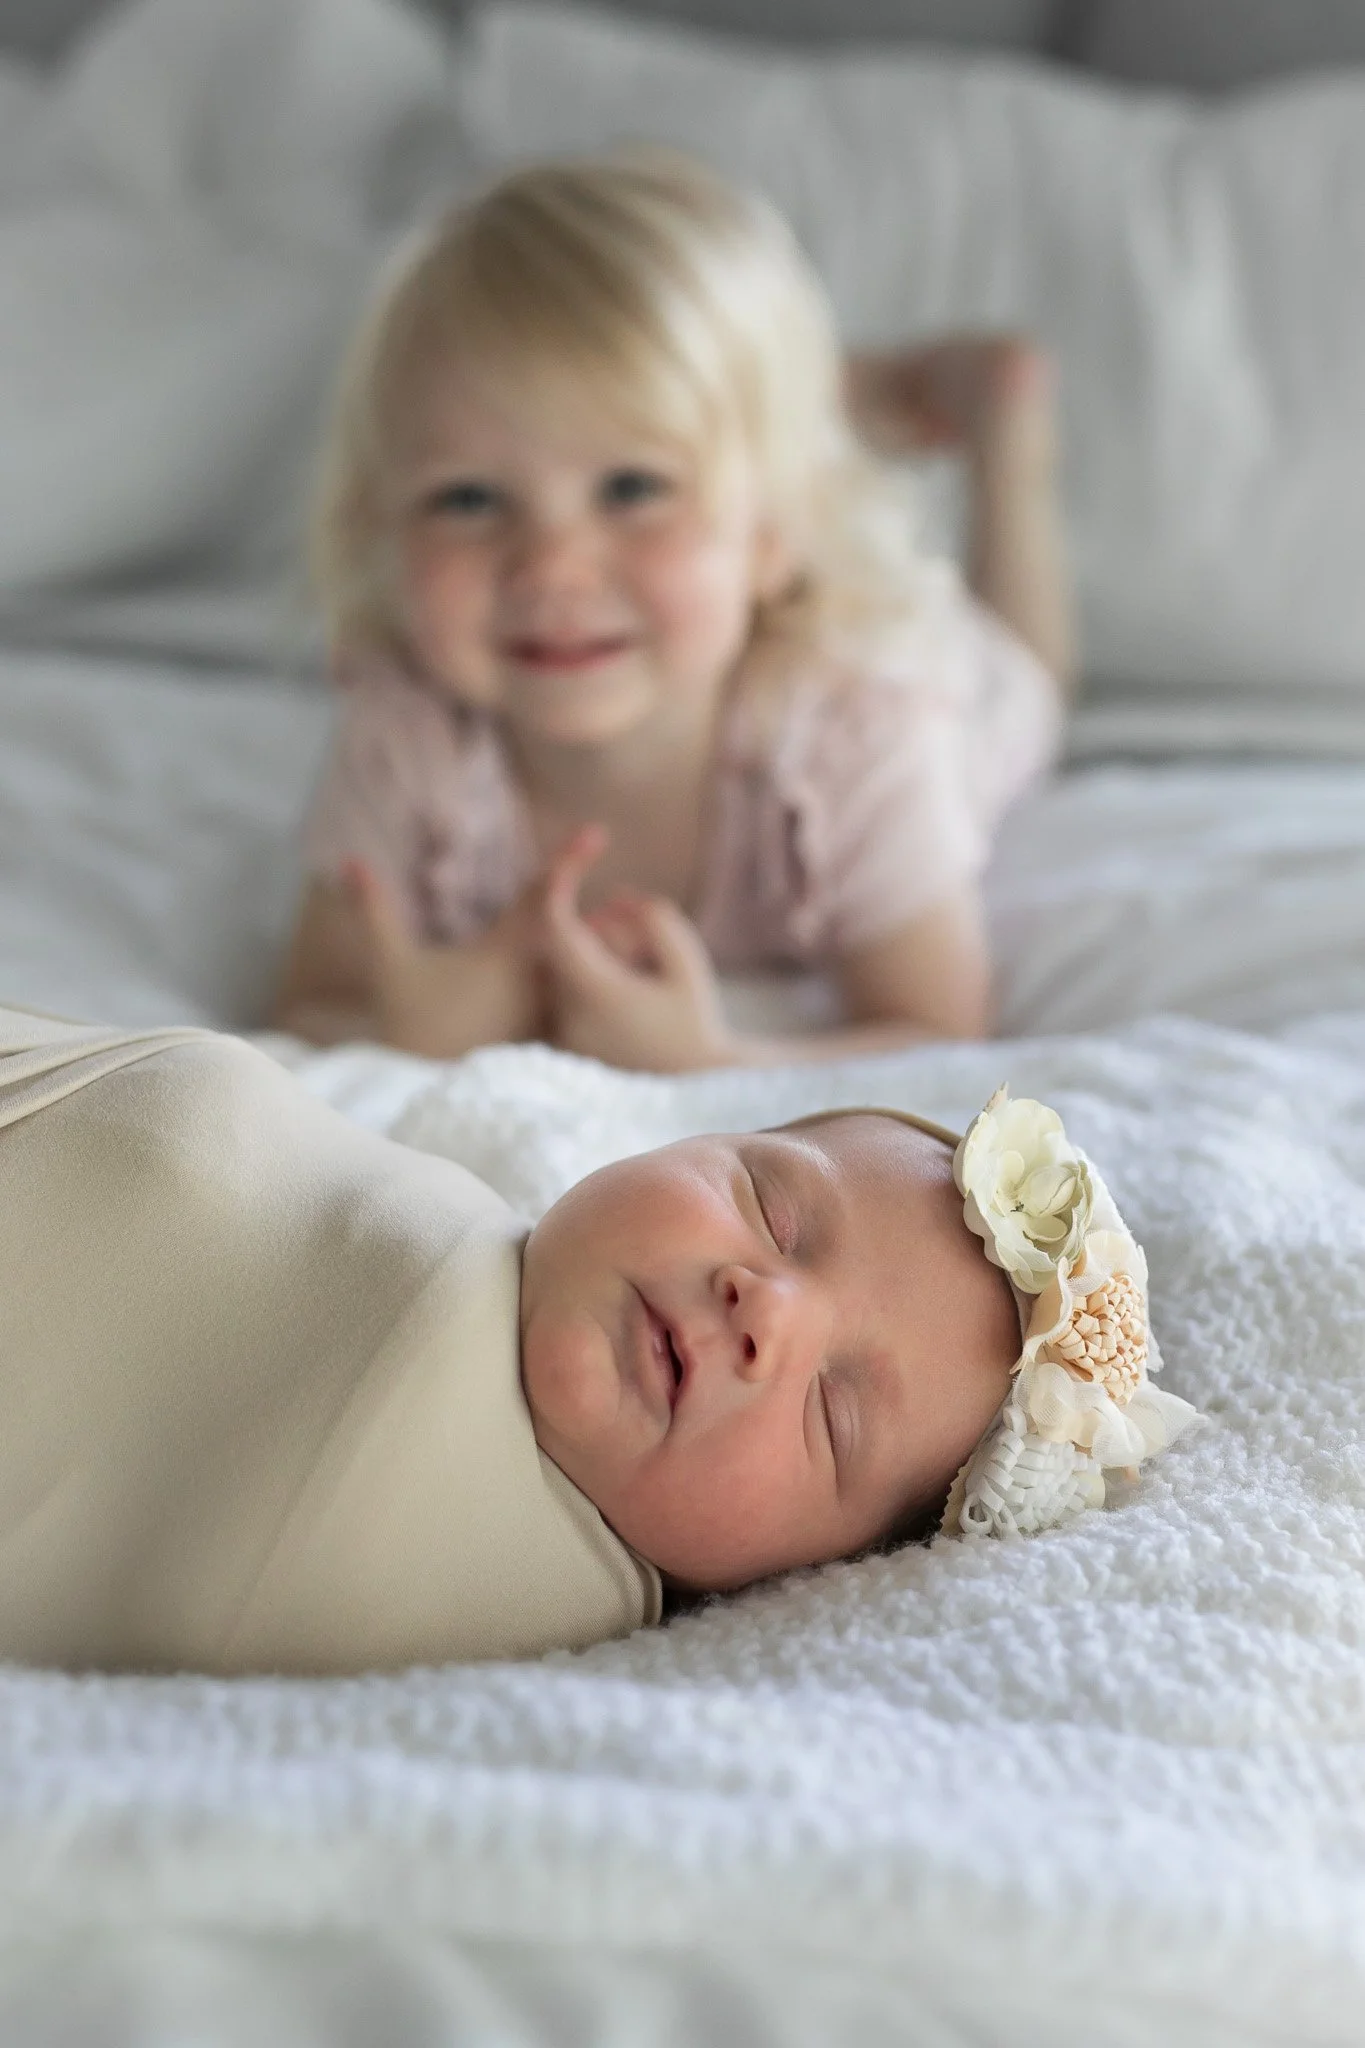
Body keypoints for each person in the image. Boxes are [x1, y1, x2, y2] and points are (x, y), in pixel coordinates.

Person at [0, 1005, 1197, 1675]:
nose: (767, 1312)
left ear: (812, 1573)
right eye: (772, 1209)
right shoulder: (457, 1218)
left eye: (834, 1411)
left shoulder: (542, 1596)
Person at [272, 149, 1073, 1070]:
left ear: (771, 534)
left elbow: (938, 1030)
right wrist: (402, 1037)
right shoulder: (409, 733)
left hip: (945, 678)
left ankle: (997, 431)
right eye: (468, 499)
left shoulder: (854, 733)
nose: (549, 568)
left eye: (632, 487)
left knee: (1030, 676)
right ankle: (798, 404)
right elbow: (309, 1004)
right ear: (386, 525)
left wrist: (712, 1060)